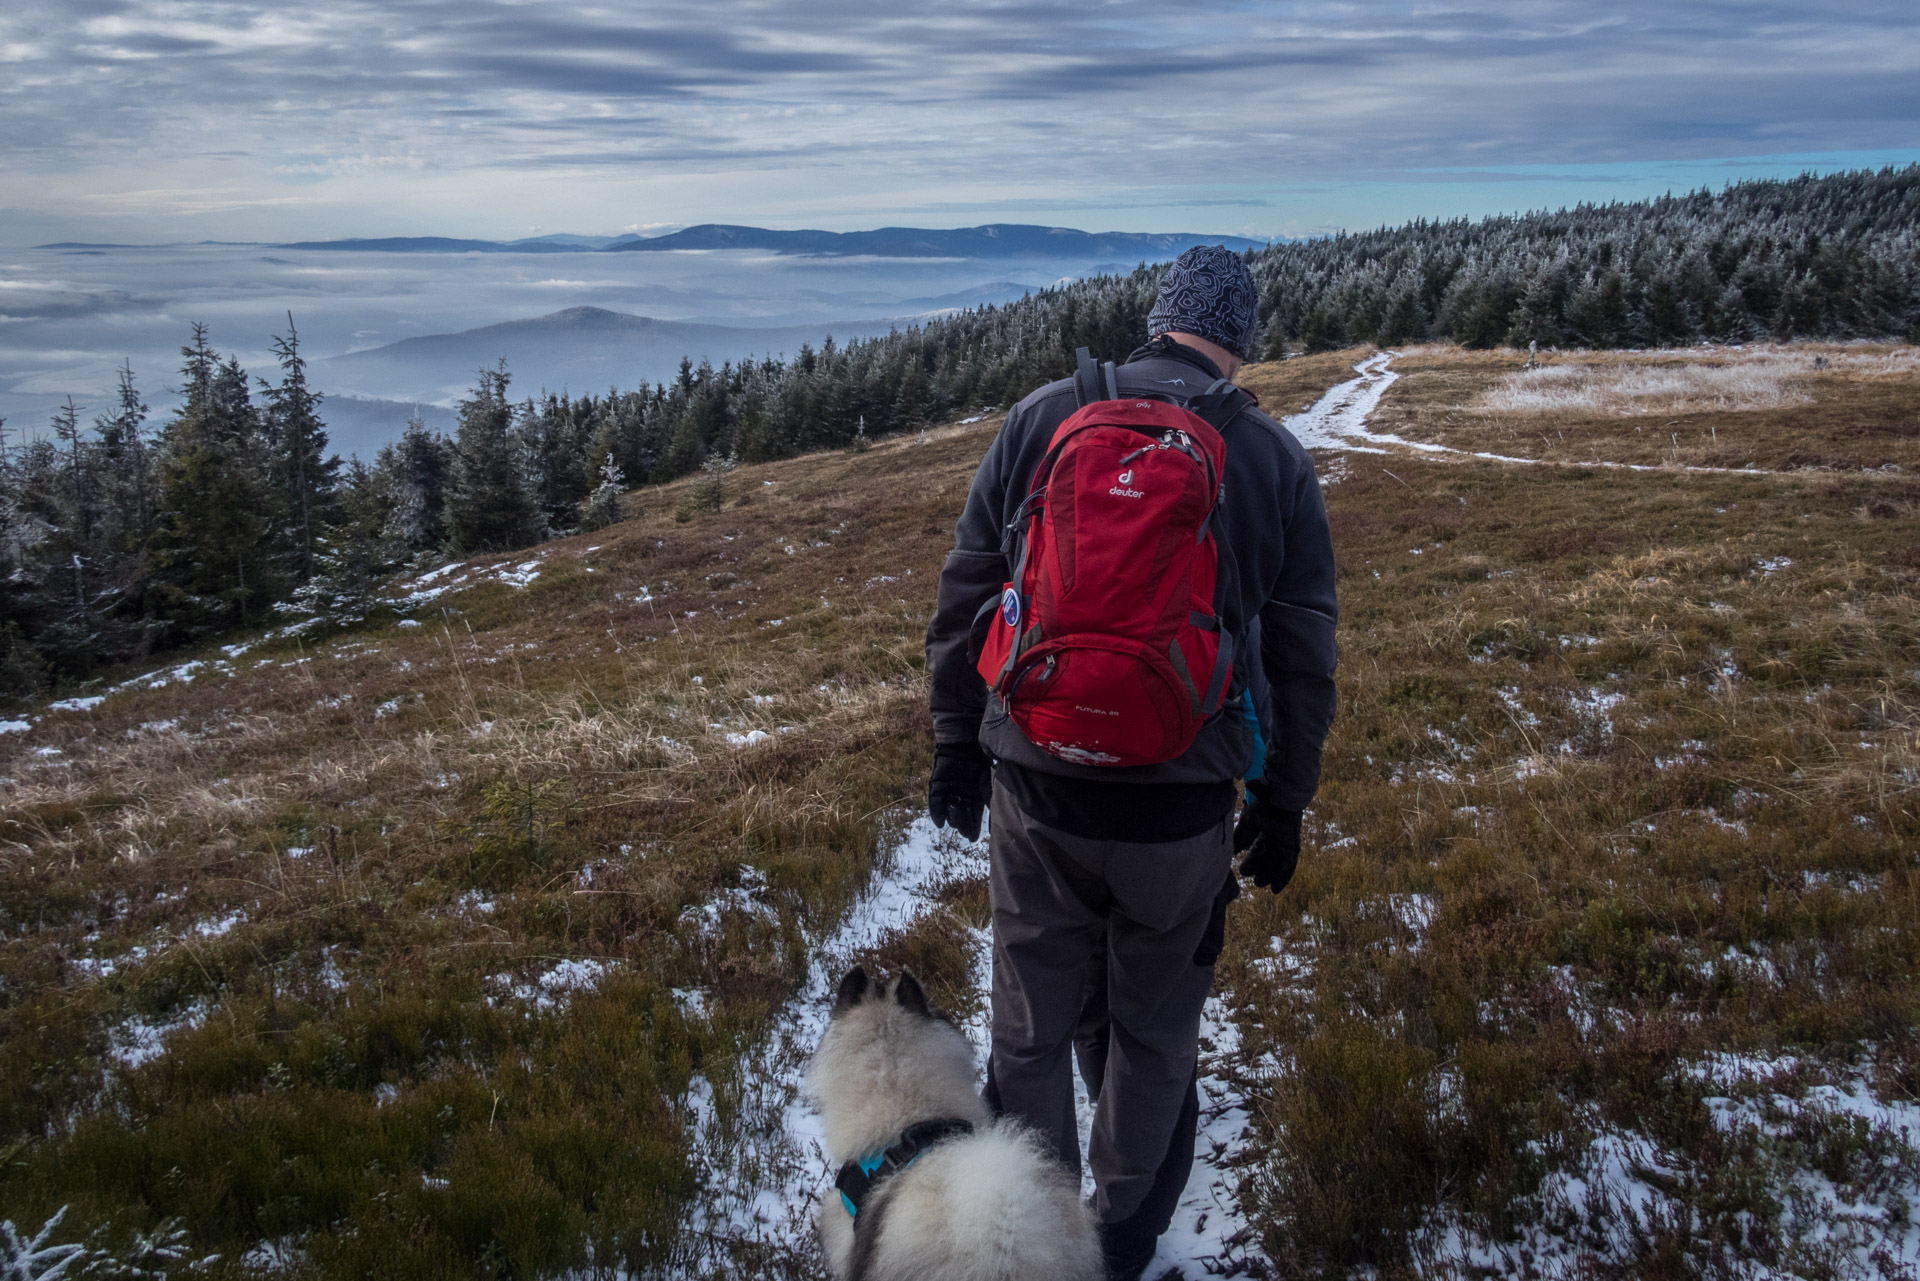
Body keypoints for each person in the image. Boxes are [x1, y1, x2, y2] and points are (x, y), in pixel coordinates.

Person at [923, 245, 1339, 1280]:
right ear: (1239, 338)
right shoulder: (1275, 459)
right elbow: (1302, 654)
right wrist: (1283, 803)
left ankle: (1032, 1238)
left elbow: (968, 592)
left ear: (1158, 319)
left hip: (1037, 781)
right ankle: (1121, 1238)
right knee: (1153, 1031)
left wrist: (955, 745)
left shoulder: (1043, 417)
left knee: (1028, 1023)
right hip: (1183, 804)